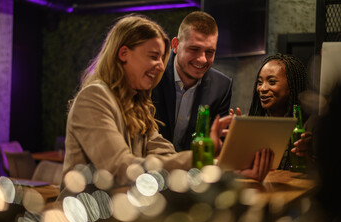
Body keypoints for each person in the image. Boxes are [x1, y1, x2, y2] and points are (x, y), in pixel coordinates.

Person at [59, 14, 272, 200]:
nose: (161, 66)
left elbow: (167, 156)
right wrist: (202, 155)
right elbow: (120, 169)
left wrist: (229, 169)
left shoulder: (137, 105)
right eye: (153, 57)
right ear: (123, 53)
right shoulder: (94, 96)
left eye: (162, 58)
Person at [152, 11, 232, 152]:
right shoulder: (153, 73)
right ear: (176, 45)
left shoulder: (222, 86)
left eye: (210, 52)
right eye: (194, 49)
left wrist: (232, 133)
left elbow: (215, 146)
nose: (202, 59)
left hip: (193, 170)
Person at [232, 53, 315, 169]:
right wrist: (236, 138)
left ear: (291, 86)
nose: (262, 88)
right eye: (260, 82)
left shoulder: (309, 126)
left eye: (272, 82)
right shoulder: (252, 123)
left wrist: (309, 154)